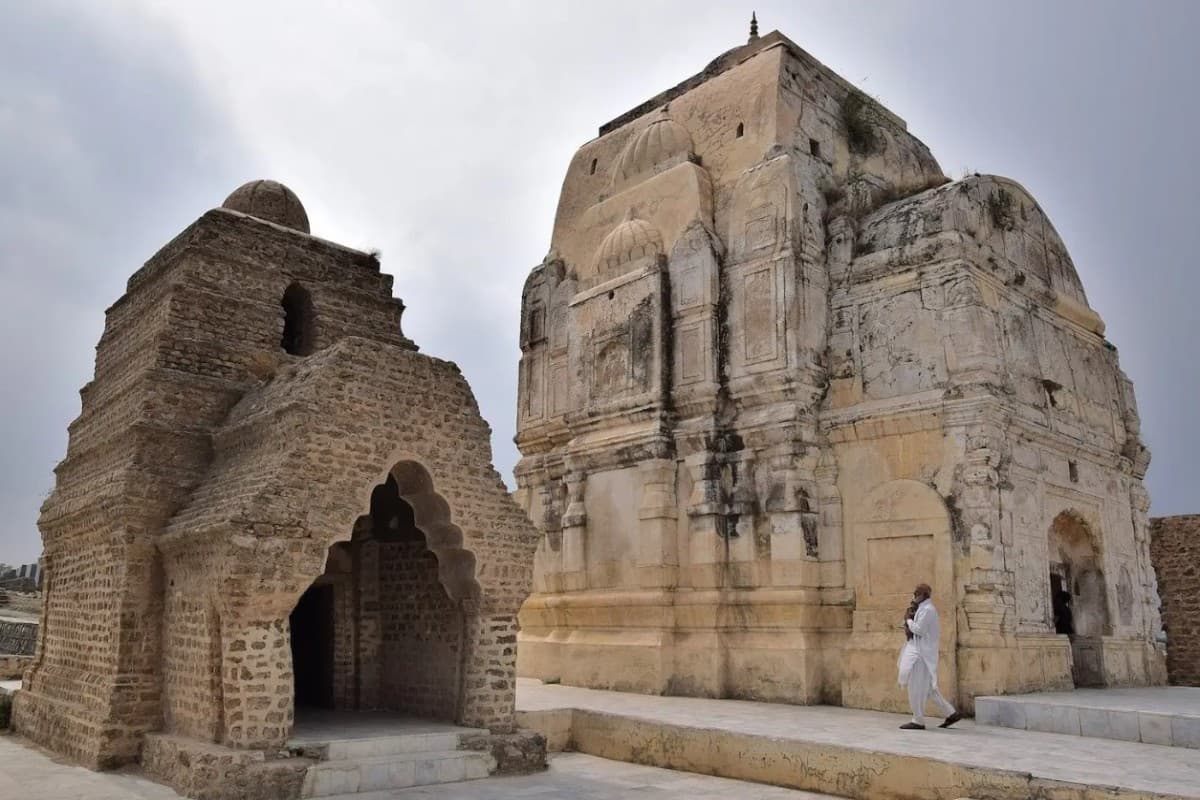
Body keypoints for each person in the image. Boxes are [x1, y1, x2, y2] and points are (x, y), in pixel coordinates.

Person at [897, 583, 963, 730]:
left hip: (921, 655)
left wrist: (908, 621)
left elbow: (919, 630)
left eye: (916, 594)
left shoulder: (927, 610)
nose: (913, 597)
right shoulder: (923, 609)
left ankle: (918, 720)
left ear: (922, 595)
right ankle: (951, 713)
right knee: (928, 690)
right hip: (921, 652)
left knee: (915, 687)